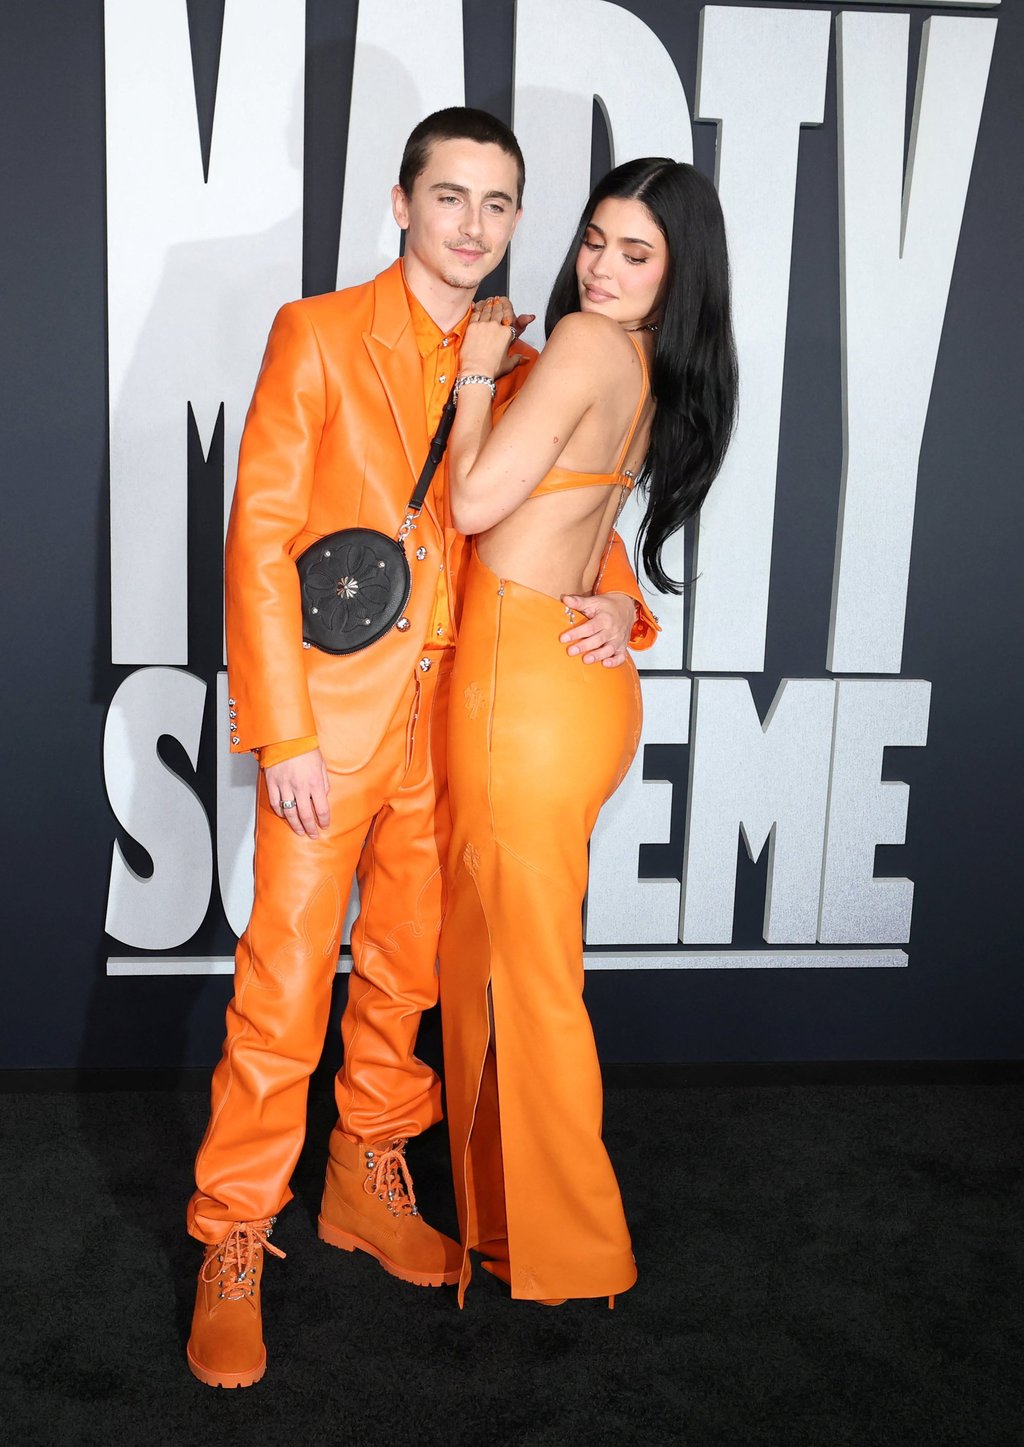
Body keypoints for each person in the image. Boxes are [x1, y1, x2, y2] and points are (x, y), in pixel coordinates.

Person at [185, 109, 659, 1389]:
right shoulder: (318, 333)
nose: (473, 226)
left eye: (499, 205)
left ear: (519, 221)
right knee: (285, 982)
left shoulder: (520, 351)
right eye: (449, 198)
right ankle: (233, 1236)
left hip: (461, 725)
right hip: (331, 729)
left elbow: (561, 508)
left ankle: (366, 1176)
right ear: (402, 204)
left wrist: (627, 600)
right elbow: (262, 537)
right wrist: (280, 727)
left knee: (402, 975)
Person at [439, 157, 738, 1307]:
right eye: (595, 242)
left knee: (525, 974)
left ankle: (572, 1248)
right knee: (510, 960)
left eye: (635, 253)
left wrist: (474, 378)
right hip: (569, 675)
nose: (601, 270)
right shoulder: (645, 359)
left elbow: (473, 506)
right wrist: (626, 602)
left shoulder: (578, 345)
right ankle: (515, 1222)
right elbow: (581, 515)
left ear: (678, 272)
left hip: (524, 682)